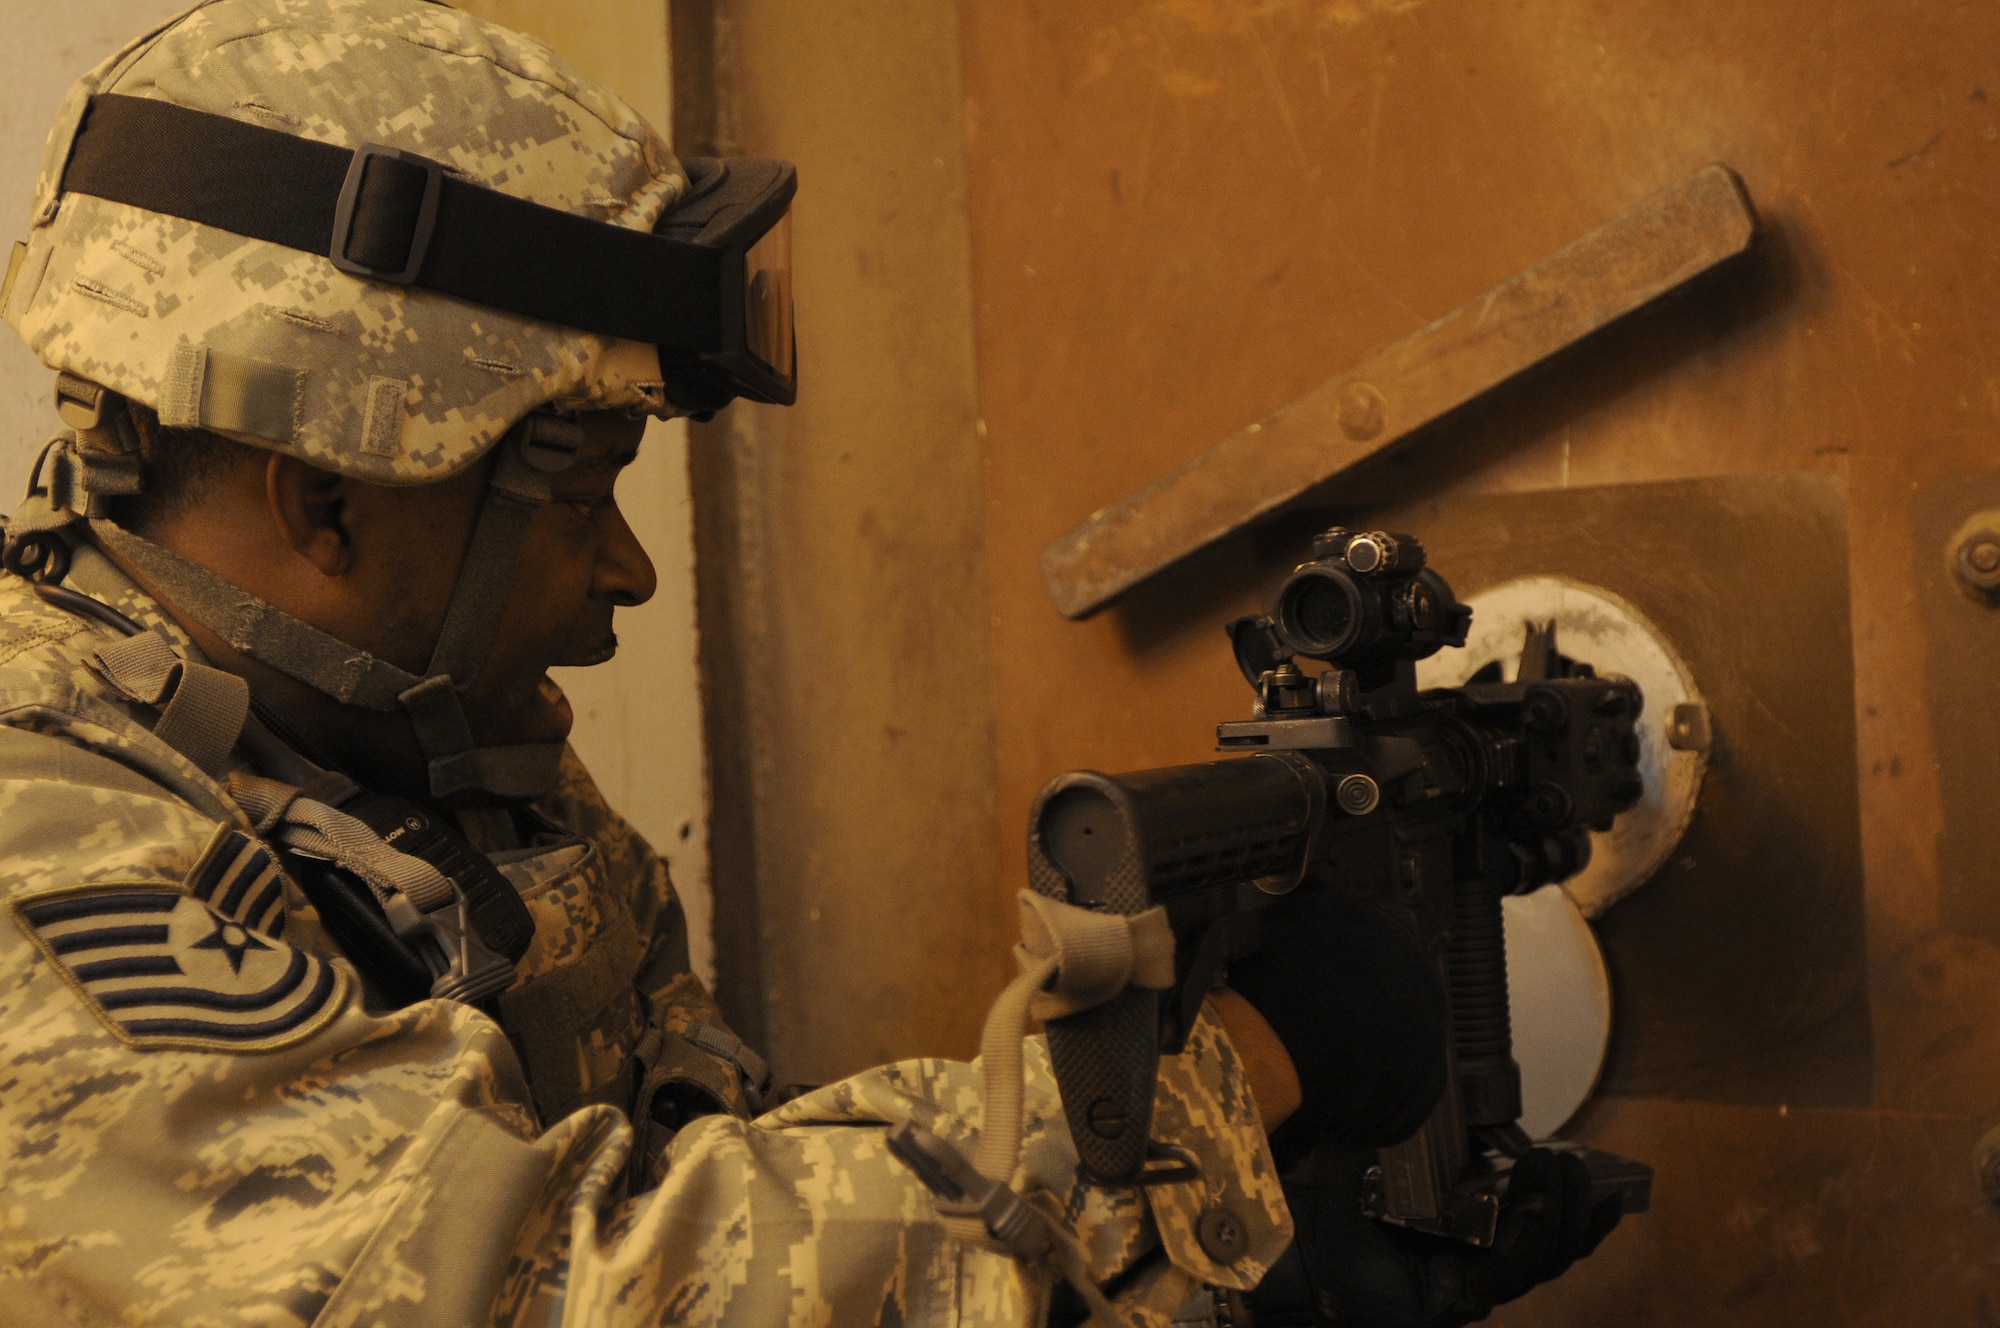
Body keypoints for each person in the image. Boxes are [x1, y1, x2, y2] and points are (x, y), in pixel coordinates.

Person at [0, 2, 1608, 1324]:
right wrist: (1222, 1094)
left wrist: (1217, 1285)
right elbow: (537, 1291)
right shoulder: (40, 833)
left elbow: (691, 1157)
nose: (624, 569)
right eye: (576, 490)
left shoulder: (417, 761)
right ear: (327, 503)